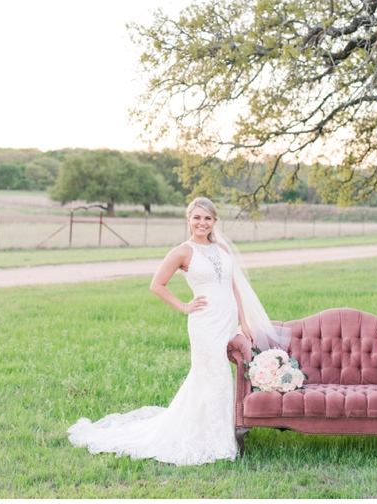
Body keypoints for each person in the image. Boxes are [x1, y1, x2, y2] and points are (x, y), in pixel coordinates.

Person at [67, 197, 283, 466]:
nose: (202, 223)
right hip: (204, 322)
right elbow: (157, 284)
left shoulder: (223, 249)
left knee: (219, 376)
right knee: (212, 374)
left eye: (207, 218)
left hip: (227, 320)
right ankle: (214, 438)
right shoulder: (182, 252)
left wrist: (244, 322)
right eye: (197, 218)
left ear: (214, 221)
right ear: (188, 220)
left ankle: (219, 428)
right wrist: (184, 306)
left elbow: (234, 287)